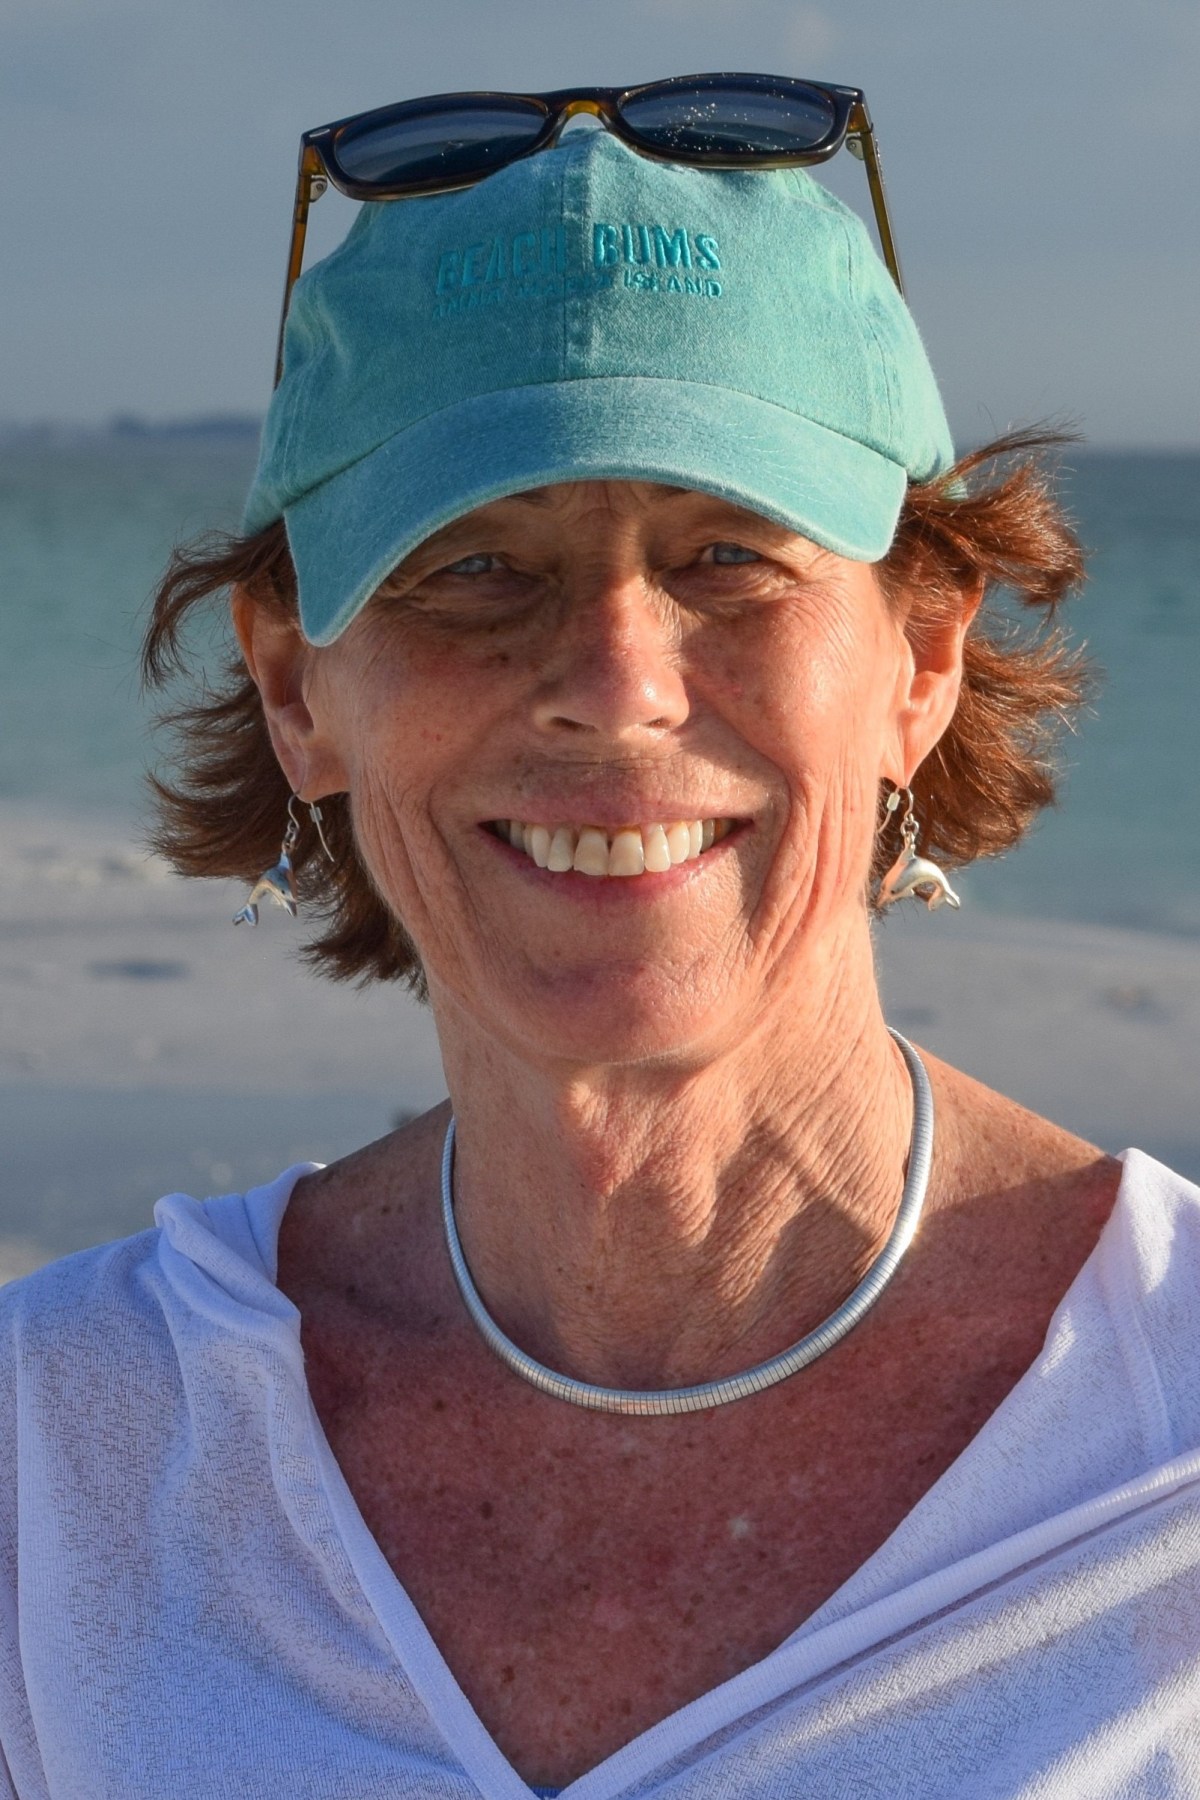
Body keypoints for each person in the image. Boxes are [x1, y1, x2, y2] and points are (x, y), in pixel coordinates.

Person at [3, 78, 1199, 1799]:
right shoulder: (66, 1455)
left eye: (728, 553)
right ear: (294, 690)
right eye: (472, 566)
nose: (617, 682)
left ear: (920, 661)